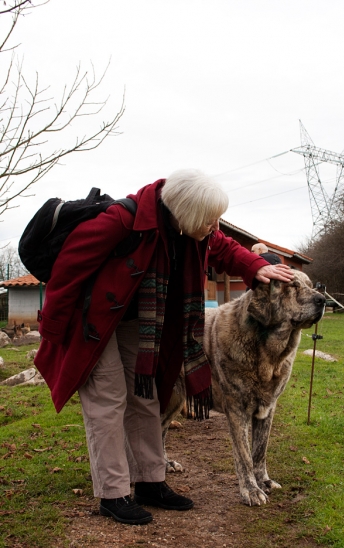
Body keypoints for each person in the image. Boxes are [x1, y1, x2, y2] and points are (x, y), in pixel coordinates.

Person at [35, 169, 294, 526]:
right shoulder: (122, 221)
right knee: (108, 400)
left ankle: (149, 481)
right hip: (92, 322)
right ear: (186, 213)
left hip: (133, 321)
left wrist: (256, 266)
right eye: (210, 219)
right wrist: (51, 329)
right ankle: (113, 494)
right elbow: (67, 269)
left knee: (146, 393)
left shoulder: (194, 232)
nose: (215, 226)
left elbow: (223, 247)